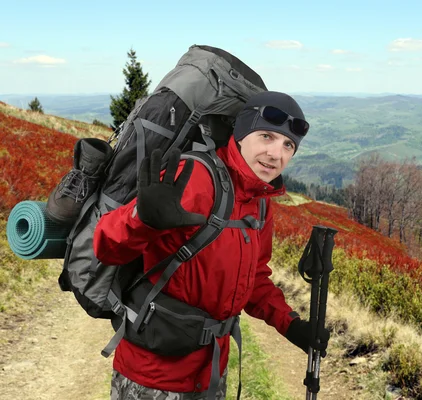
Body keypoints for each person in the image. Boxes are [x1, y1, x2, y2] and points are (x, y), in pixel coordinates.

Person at [93, 91, 329, 399]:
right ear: (241, 135)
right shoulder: (197, 178)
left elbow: (254, 279)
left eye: (288, 145)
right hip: (153, 376)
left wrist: (291, 325)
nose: (276, 154)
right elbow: (106, 247)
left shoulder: (258, 205)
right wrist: (143, 220)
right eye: (267, 137)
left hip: (211, 374)